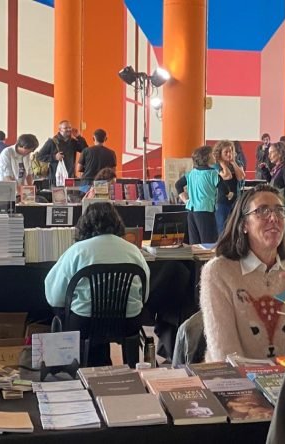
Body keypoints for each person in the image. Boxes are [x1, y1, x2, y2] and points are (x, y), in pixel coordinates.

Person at [200, 184, 285, 362]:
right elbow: (223, 353)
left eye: (280, 211)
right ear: (244, 225)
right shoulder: (219, 272)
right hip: (237, 380)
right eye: (262, 211)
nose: (273, 218)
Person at [44, 202, 150, 365]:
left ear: (85, 224)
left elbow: (54, 295)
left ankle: (82, 363)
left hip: (85, 321)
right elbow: (145, 294)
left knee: (63, 310)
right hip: (128, 321)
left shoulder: (77, 251)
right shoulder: (133, 250)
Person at [175, 145, 221, 244]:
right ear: (207, 157)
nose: (215, 157)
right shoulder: (212, 173)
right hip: (205, 210)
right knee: (209, 243)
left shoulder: (192, 173)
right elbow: (224, 187)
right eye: (213, 155)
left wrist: (186, 200)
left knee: (195, 244)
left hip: (191, 210)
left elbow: (178, 185)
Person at [37, 120, 87, 186]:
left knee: (69, 195)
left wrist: (79, 137)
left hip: (69, 176)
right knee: (57, 195)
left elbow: (85, 151)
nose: (68, 130)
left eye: (70, 127)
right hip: (55, 177)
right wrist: (54, 157)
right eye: (66, 128)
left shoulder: (73, 142)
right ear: (60, 129)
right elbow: (39, 156)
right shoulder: (52, 142)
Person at [214, 140, 246, 234]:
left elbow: (241, 177)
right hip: (221, 201)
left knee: (236, 227)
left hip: (236, 200)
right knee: (222, 228)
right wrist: (222, 162)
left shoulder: (238, 163)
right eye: (226, 152)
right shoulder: (216, 165)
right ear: (220, 153)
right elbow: (227, 176)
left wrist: (233, 163)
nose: (229, 154)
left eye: (231, 151)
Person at [268, 142, 285, 220]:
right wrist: (265, 171)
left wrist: (277, 198)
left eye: (271, 152)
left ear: (280, 153)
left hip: (282, 203)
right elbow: (274, 183)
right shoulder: (277, 168)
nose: (269, 156)